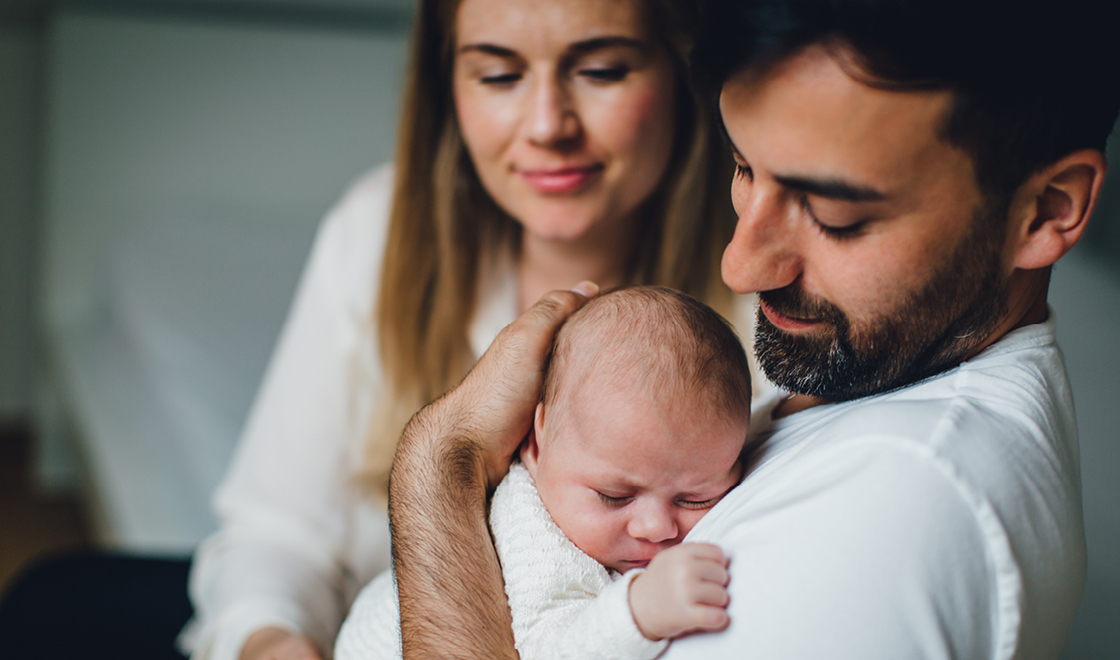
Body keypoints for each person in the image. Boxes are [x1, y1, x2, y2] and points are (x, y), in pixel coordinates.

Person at [380, 0, 1120, 658]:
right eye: (744, 168)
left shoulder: (886, 525)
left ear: (1048, 209)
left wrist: (438, 467)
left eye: (836, 216)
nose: (740, 266)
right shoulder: (866, 388)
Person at [179, 1, 772, 660]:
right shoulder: (377, 234)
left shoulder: (766, 291)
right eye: (497, 77)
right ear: (448, 89)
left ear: (682, 72)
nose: (548, 124)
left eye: (602, 70)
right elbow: (274, 535)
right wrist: (272, 642)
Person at [337, 286, 752, 660]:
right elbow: (543, 651)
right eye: (614, 495)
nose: (656, 527)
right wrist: (636, 612)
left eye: (697, 498)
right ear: (536, 445)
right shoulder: (535, 539)